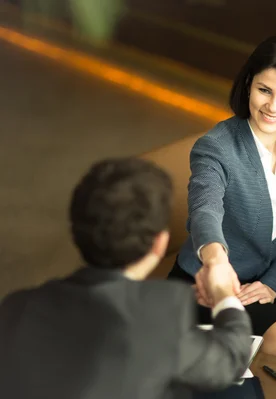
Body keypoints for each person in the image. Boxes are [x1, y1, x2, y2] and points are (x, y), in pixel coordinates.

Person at [0, 158, 252, 399]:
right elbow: (230, 361)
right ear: (160, 243)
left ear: (75, 232)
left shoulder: (16, 306)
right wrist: (223, 292)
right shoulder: (162, 310)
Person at [168, 35, 276, 362]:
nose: (273, 106)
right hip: (210, 285)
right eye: (264, 90)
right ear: (248, 85)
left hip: (262, 280)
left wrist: (273, 282)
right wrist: (216, 263)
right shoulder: (217, 146)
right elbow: (204, 210)